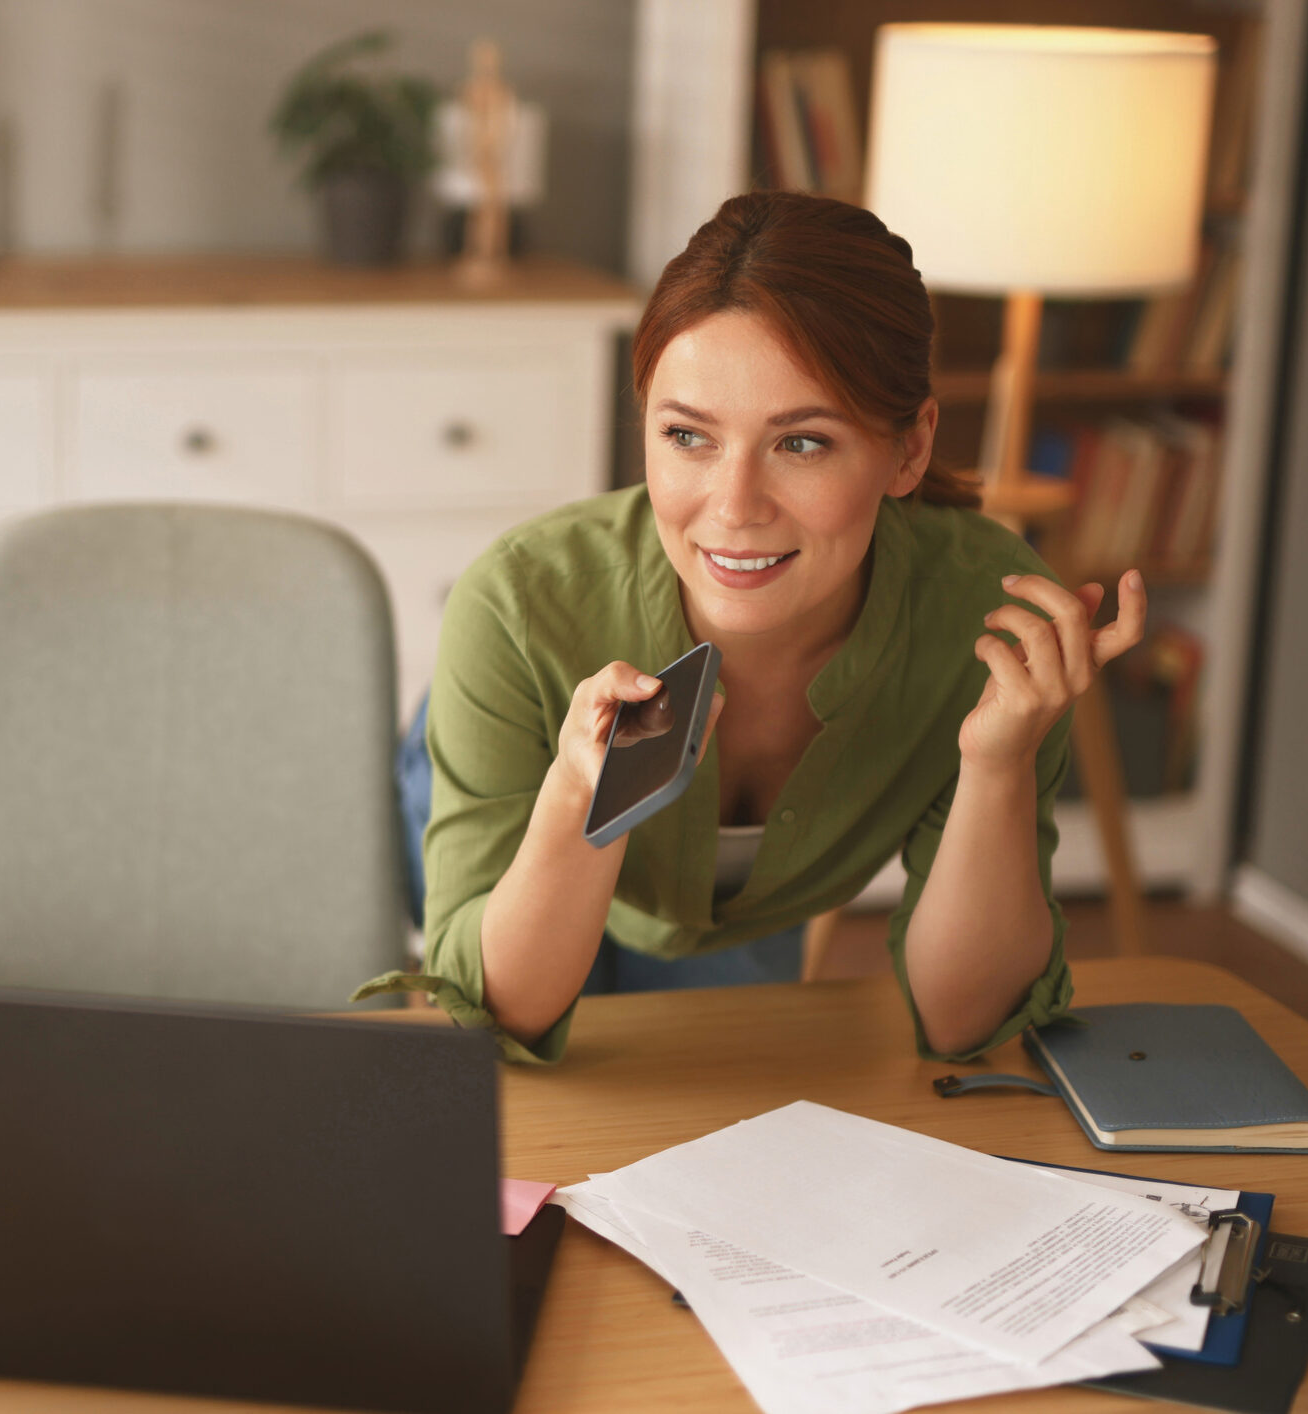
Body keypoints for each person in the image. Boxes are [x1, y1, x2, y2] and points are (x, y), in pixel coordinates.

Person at [357, 191, 1145, 1064]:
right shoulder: (516, 606)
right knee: (505, 1088)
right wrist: (581, 795)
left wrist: (999, 763)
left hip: (732, 915)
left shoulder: (998, 630)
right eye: (688, 437)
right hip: (512, 816)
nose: (733, 509)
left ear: (911, 450)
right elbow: (500, 1013)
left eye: (800, 444)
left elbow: (962, 1022)